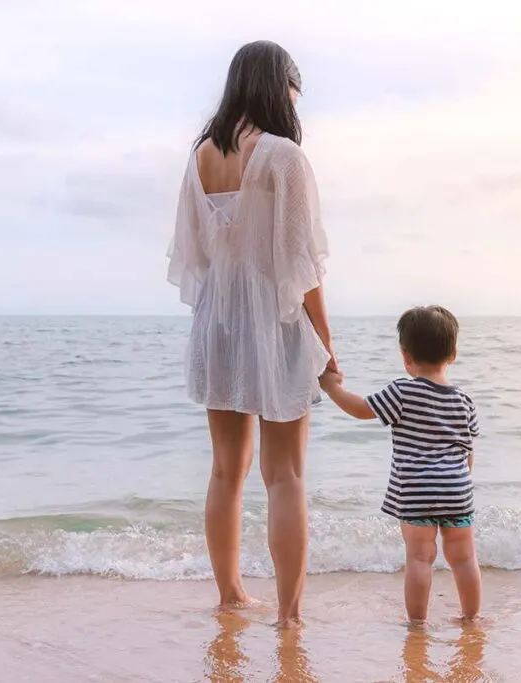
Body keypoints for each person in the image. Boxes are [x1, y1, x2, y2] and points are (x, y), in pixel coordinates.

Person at [166, 40, 335, 627]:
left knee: (224, 471)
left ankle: (231, 594)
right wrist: (327, 346)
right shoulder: (284, 156)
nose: (296, 99)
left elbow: (196, 254)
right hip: (274, 323)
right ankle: (289, 614)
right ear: (278, 85)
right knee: (284, 474)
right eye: (295, 87)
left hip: (217, 323)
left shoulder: (200, 156)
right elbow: (302, 266)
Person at [318, 306, 481, 623]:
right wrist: (459, 483)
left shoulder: (402, 391)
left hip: (417, 492)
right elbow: (468, 450)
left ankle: (418, 624)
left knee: (420, 558)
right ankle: (472, 616)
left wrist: (332, 387)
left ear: (406, 356)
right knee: (464, 558)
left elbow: (363, 410)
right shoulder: (465, 400)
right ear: (454, 353)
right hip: (458, 490)